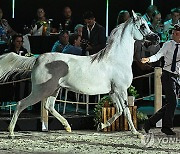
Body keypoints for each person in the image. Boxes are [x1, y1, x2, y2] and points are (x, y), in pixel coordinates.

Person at [141, 24, 180, 135]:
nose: (174, 34)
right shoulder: (168, 44)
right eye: (173, 33)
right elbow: (158, 55)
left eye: (176, 33)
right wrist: (148, 59)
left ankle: (149, 122)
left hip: (177, 77)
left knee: (171, 103)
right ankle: (166, 127)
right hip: (168, 75)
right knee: (173, 101)